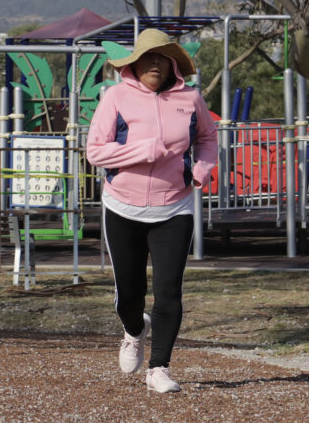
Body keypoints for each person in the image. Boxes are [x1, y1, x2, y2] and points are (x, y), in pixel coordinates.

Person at [86, 28, 217, 393]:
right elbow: (95, 151)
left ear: (173, 63)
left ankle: (159, 368)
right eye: (148, 57)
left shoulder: (190, 99)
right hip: (122, 206)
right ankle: (133, 330)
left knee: (168, 290)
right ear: (134, 64)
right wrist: (144, 150)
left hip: (174, 207)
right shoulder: (115, 97)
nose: (155, 62)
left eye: (163, 56)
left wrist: (201, 170)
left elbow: (207, 138)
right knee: (129, 294)